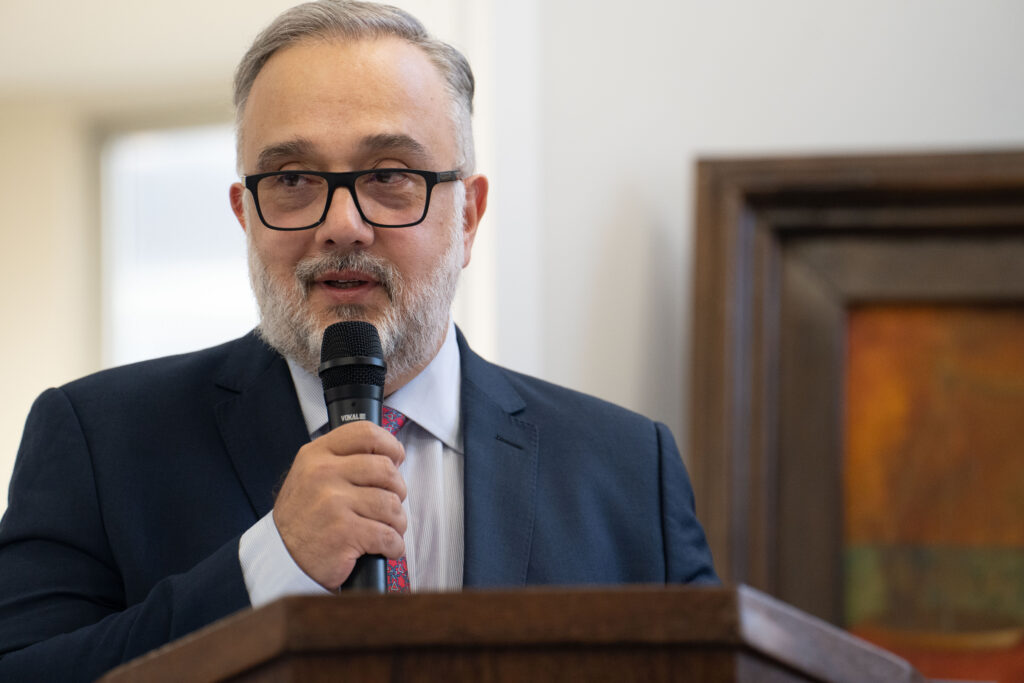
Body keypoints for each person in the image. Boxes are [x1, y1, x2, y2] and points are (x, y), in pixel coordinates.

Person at [0, 0, 716, 678]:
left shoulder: (627, 471)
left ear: (467, 214)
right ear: (245, 216)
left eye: (390, 176)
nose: (342, 223)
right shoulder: (98, 440)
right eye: (293, 179)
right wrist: (271, 564)